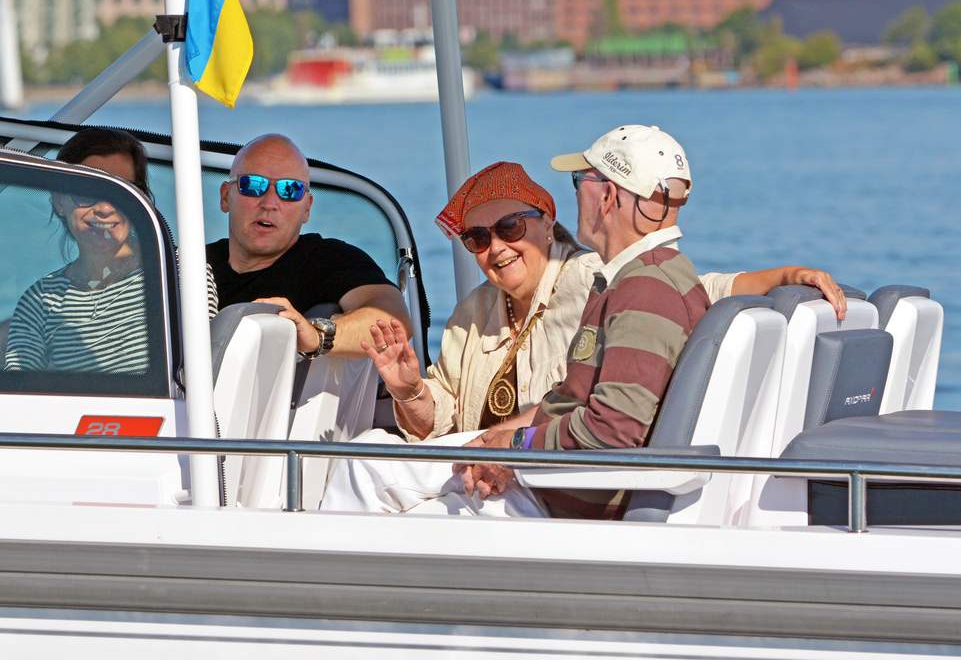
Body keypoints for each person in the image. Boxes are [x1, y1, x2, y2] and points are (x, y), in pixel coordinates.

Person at [320, 153, 845, 515]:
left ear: (547, 223)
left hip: (546, 478)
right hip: (491, 471)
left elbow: (698, 289)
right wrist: (410, 390)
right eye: (477, 238)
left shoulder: (597, 277)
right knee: (373, 457)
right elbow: (441, 418)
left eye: (510, 228)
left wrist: (787, 275)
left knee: (365, 463)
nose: (496, 248)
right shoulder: (472, 312)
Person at [5, 127, 218, 371]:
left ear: (141, 200)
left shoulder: (180, 273)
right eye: (88, 190)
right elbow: (18, 383)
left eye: (122, 192)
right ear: (60, 200)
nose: (105, 208)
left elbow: (205, 371)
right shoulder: (41, 299)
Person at [206, 133, 411, 359]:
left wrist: (317, 336)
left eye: (290, 190)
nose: (269, 203)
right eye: (253, 185)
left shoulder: (327, 260)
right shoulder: (188, 264)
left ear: (307, 208)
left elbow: (395, 321)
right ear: (225, 196)